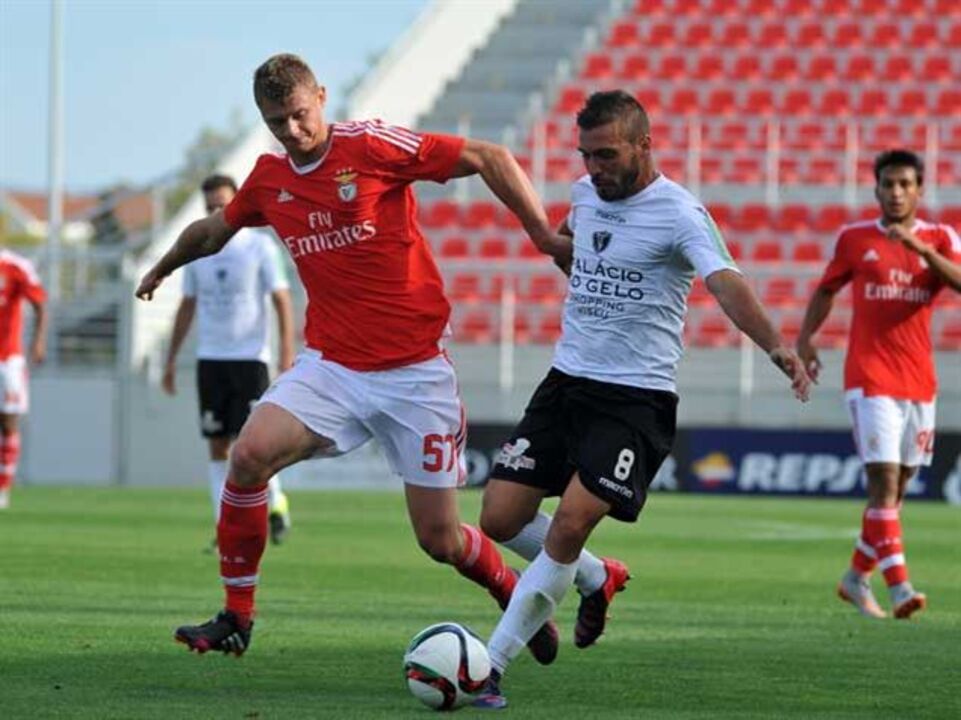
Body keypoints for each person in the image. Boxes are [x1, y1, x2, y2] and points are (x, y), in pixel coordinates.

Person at [135, 53, 572, 660]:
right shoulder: (269, 179)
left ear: (320, 95)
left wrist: (545, 235)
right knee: (248, 456)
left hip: (416, 373)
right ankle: (238, 614)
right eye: (276, 122)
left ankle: (507, 585)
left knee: (440, 539)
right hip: (333, 366)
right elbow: (214, 230)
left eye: (298, 114)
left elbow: (487, 157)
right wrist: (161, 267)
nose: (291, 131)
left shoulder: (370, 146)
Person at [472, 90, 811, 709]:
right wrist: (591, 283)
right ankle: (598, 579)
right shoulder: (584, 195)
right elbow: (578, 253)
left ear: (644, 145)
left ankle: (489, 666)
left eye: (606, 155)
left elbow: (726, 283)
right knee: (498, 518)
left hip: (634, 399)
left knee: (569, 525)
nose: (594, 168)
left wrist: (776, 347)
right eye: (586, 156)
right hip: (565, 384)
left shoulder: (681, 213)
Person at [797, 149, 961, 621]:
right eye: (888, 184)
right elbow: (827, 289)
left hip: (919, 380)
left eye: (905, 184)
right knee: (884, 483)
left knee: (898, 491)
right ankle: (900, 586)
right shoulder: (854, 238)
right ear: (876, 190)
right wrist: (807, 340)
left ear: (919, 190)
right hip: (870, 376)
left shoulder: (940, 237)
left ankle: (854, 577)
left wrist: (923, 252)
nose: (895, 193)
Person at [163, 174, 295, 548]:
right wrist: (171, 359)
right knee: (218, 446)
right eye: (209, 208)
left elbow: (281, 299)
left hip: (250, 358)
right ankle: (225, 526)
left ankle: (276, 502)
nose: (216, 213)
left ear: (239, 203)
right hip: (212, 359)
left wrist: (286, 350)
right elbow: (187, 305)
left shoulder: (260, 247)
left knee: (254, 445)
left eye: (222, 205)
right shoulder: (198, 251)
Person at [0, 247, 47, 509]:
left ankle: (3, 488)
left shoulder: (15, 265)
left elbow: (39, 303)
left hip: (8, 359)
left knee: (8, 422)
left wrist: (38, 342)